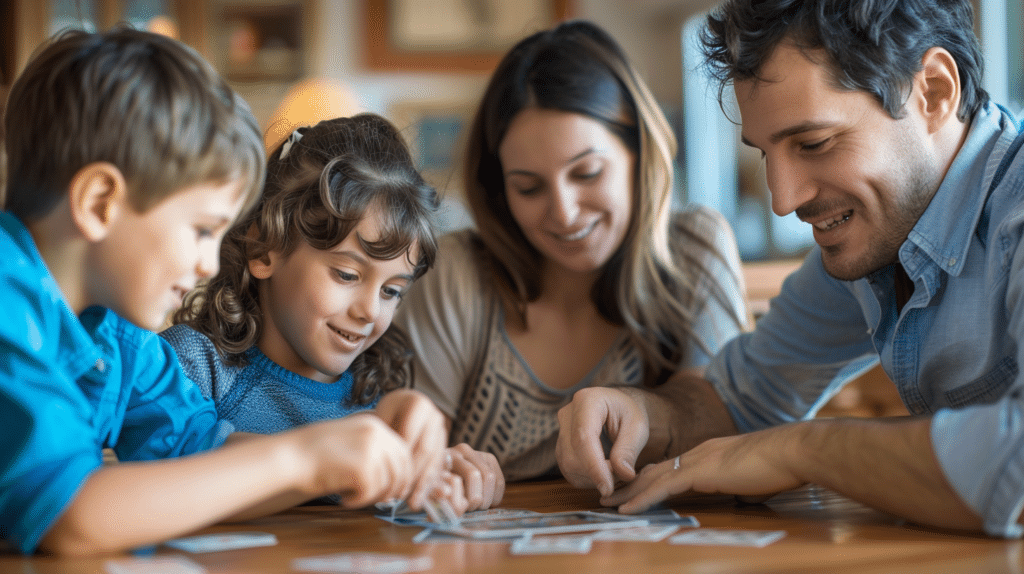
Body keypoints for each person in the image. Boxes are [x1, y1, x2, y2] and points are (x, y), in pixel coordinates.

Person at [558, 0, 1024, 538]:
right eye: (764, 153)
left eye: (814, 143)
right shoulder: (878, 238)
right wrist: (641, 415)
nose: (783, 198)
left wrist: (805, 448)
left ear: (934, 93)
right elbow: (743, 400)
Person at [0, 28, 449, 557]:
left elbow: (201, 456)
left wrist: (356, 451)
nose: (210, 262)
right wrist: (304, 459)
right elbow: (72, 517)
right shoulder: (10, 307)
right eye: (202, 229)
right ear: (100, 202)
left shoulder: (120, 333)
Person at [392, 20, 750, 483]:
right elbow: (410, 454)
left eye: (587, 174)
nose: (563, 213)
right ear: (499, 189)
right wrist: (433, 470)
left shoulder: (695, 248)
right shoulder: (457, 272)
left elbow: (729, 422)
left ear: (639, 155)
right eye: (528, 186)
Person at [162, 113, 501, 511]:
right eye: (346, 274)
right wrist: (327, 459)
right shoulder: (191, 365)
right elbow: (175, 465)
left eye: (392, 291)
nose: (370, 311)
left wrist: (446, 477)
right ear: (263, 251)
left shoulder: (374, 391)